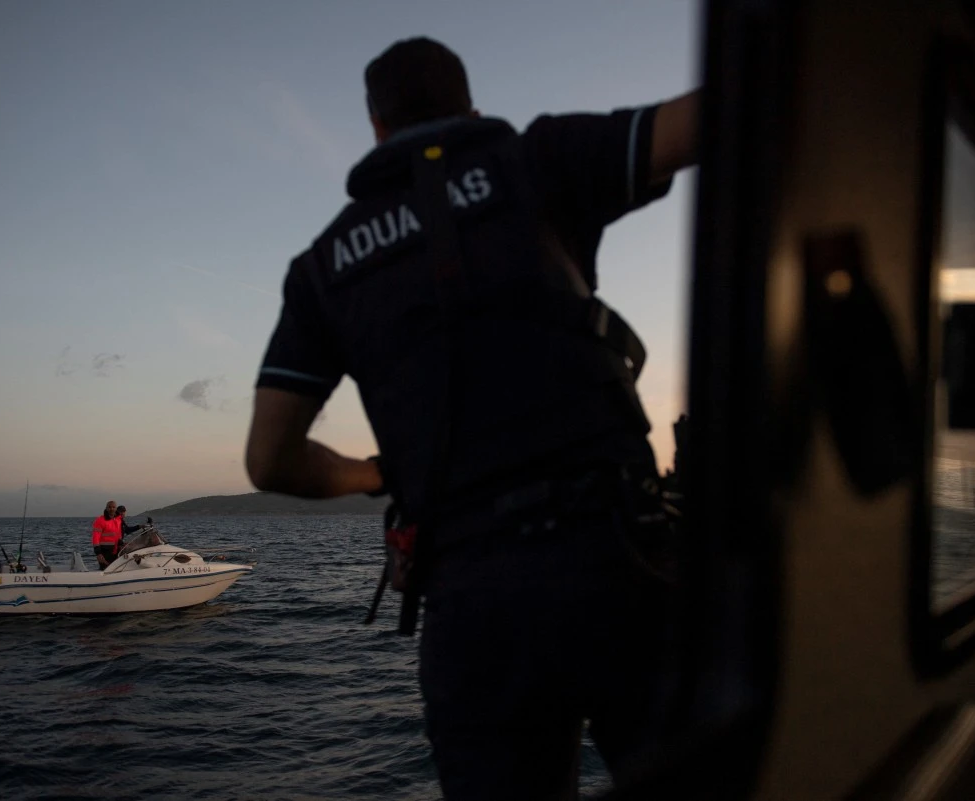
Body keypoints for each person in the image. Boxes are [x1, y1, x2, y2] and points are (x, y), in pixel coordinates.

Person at [244, 36, 698, 800]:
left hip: (474, 606)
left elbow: (270, 459)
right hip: (621, 560)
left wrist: (375, 473)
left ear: (376, 127)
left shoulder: (322, 267)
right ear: (471, 106)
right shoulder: (538, 159)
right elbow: (712, 117)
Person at [91, 500, 123, 569]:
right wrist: (98, 553)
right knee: (105, 570)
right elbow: (95, 537)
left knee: (116, 570)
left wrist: (121, 544)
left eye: (113, 507)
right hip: (104, 551)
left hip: (116, 550)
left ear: (116, 508)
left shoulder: (118, 520)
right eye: (109, 507)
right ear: (106, 508)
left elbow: (119, 534)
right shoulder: (100, 520)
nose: (111, 509)